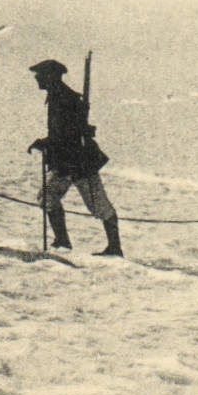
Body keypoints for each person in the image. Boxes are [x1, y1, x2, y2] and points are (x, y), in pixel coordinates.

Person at [27, 59, 121, 256]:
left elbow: (67, 135)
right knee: (48, 197)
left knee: (99, 206)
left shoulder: (64, 100)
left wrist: (45, 143)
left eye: (40, 75)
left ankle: (114, 248)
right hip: (68, 162)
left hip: (77, 164)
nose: (37, 78)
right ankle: (62, 241)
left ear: (51, 76)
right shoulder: (58, 97)